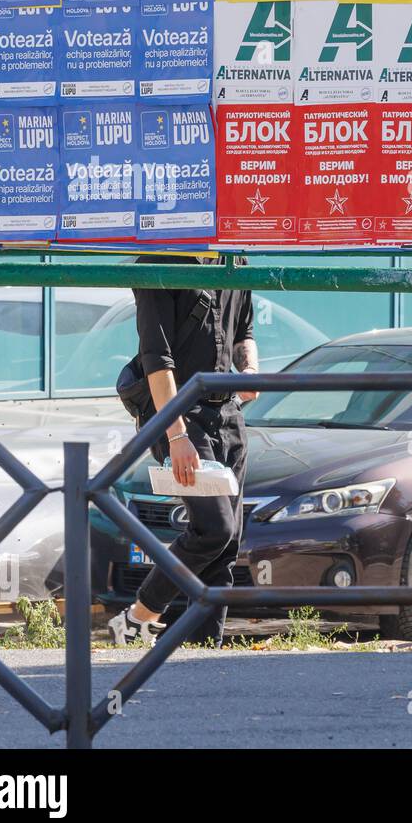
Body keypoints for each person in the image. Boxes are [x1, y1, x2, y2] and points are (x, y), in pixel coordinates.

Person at [107, 257, 259, 646]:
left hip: (227, 412)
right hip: (180, 412)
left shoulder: (234, 260)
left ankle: (205, 651)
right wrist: (176, 436)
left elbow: (244, 330)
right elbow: (156, 358)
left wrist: (250, 371)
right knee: (213, 528)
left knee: (228, 543)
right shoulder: (159, 265)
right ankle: (139, 616)